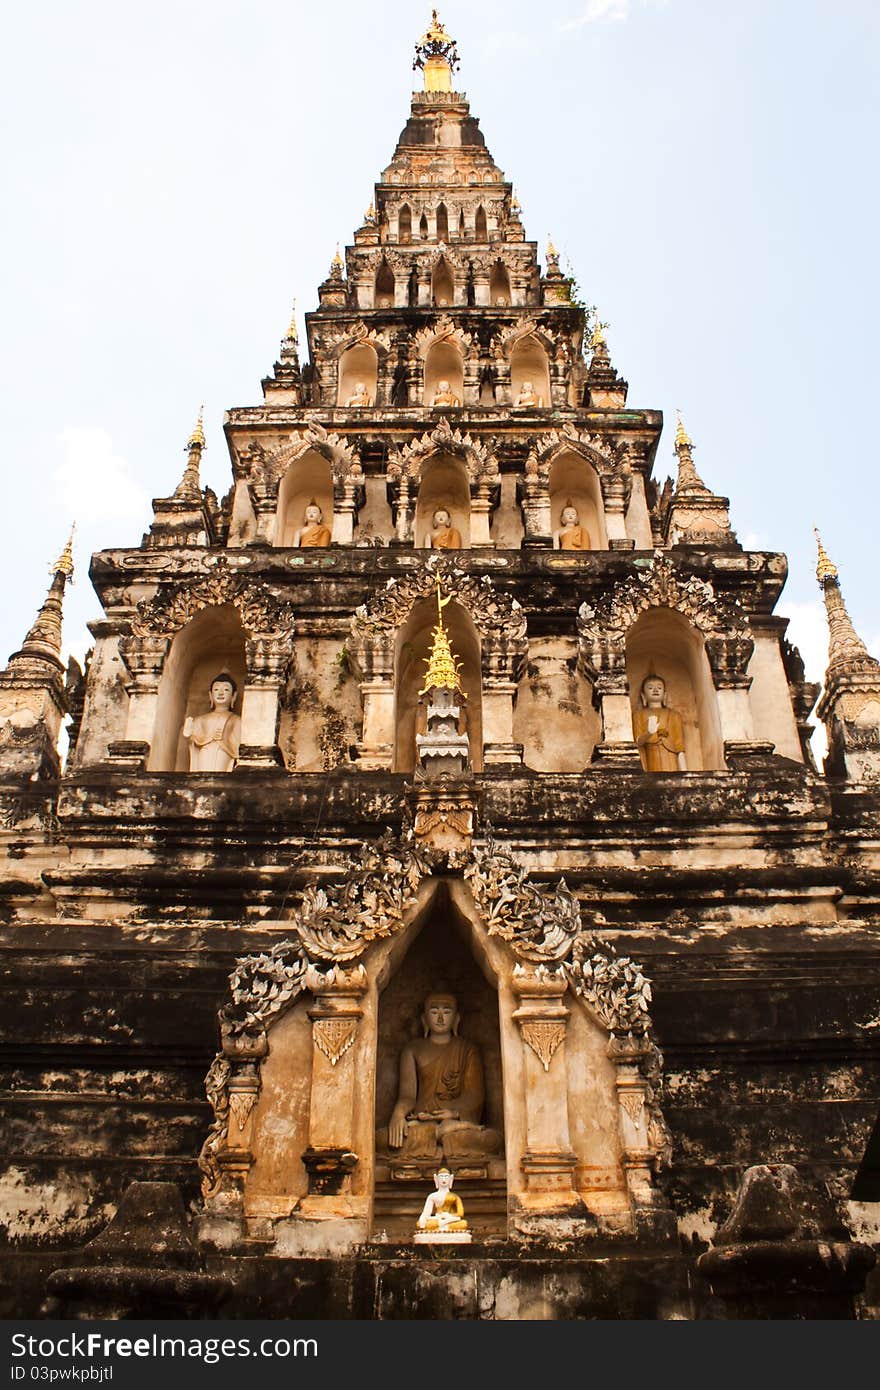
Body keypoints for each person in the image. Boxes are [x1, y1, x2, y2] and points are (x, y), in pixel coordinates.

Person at [385, 990, 500, 1160]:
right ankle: (439, 1136)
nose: (440, 1018)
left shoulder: (468, 1050)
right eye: (434, 1012)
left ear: (456, 1018)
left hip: (456, 1123)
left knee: (492, 1139)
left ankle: (443, 1135)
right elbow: (408, 1096)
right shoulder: (413, 1049)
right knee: (383, 1139)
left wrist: (452, 1113)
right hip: (422, 1122)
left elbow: (474, 1095)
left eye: (446, 1012)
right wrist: (398, 1114)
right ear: (424, 1019)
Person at [183, 674, 242, 773]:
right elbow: (194, 742)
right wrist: (189, 734)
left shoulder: (236, 720)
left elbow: (238, 745)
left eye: (226, 690)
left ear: (233, 696)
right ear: (210, 695)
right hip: (205, 752)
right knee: (203, 777)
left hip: (223, 753)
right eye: (216, 689)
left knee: (219, 778)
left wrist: (224, 741)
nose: (221, 693)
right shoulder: (200, 720)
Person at [633, 672, 687, 772]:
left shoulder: (674, 715)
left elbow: (679, 746)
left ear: (664, 694)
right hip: (651, 757)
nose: (655, 690)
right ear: (643, 695)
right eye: (650, 688)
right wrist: (648, 733)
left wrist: (684, 772)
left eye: (659, 687)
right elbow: (638, 742)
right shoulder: (639, 715)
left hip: (671, 758)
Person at [417, 1168, 469, 1233]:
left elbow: (460, 1213)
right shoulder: (432, 1196)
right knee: (419, 1224)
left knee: (463, 1223)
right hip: (438, 1219)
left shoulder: (455, 1197)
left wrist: (449, 1216)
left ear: (451, 1178)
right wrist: (424, 1220)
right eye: (441, 1177)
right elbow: (426, 1214)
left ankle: (441, 1228)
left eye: (446, 1177)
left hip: (450, 1219)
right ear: (436, 1178)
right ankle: (444, 1227)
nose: (443, 1179)